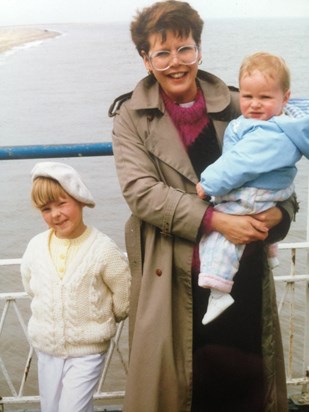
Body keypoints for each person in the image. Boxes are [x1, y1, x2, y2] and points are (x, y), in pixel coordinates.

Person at [109, 2, 298, 411]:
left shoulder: (240, 104)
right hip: (171, 277)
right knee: (185, 391)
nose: (175, 63)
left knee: (245, 384)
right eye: (162, 52)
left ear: (199, 50)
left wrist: (278, 215)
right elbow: (141, 192)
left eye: (185, 49)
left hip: (241, 272)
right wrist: (215, 220)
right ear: (146, 59)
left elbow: (283, 181)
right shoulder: (131, 117)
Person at [196, 52, 309, 325]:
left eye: (265, 98)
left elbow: (239, 164)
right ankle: (270, 253)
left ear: (285, 97)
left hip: (256, 193)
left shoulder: (268, 132)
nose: (255, 105)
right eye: (247, 97)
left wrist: (207, 184)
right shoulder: (280, 123)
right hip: (270, 193)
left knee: (220, 238)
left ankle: (218, 288)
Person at [21, 161, 131, 412]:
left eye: (62, 204)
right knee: (51, 407)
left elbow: (123, 291)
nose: (55, 214)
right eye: (46, 209)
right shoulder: (35, 247)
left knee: (74, 408)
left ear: (80, 199)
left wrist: (103, 318)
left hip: (87, 350)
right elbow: (30, 284)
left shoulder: (102, 249)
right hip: (47, 347)